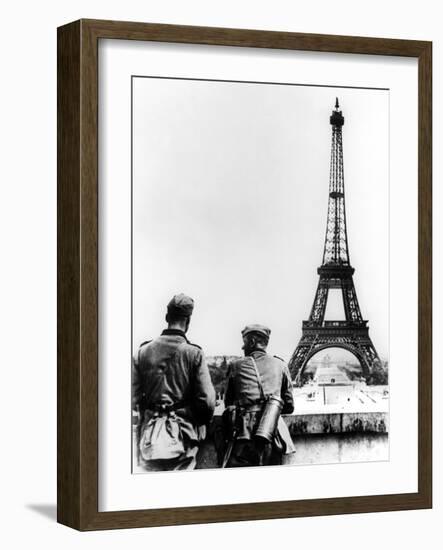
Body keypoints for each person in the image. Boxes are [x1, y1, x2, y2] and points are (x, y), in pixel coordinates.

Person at [132, 293, 215, 471]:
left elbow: (132, 398)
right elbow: (207, 402)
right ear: (188, 320)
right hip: (182, 437)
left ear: (167, 317)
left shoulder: (142, 352)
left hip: (149, 438)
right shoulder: (194, 353)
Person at [222, 324, 295, 467]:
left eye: (244, 343)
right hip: (272, 435)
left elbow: (228, 402)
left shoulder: (235, 366)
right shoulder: (280, 365)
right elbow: (289, 406)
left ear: (252, 342)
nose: (243, 348)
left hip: (244, 435)